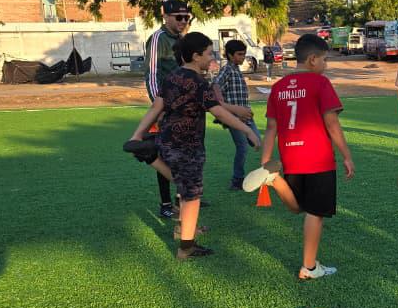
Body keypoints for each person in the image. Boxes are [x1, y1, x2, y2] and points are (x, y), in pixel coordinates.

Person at [128, 32, 260, 260]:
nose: (212, 58)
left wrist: (137, 136)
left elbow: (156, 108)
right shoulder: (199, 82)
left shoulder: (172, 77)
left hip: (167, 139)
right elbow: (218, 110)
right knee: (192, 195)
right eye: (209, 54)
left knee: (182, 185)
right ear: (196, 55)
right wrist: (247, 129)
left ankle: (152, 157)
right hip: (188, 145)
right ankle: (186, 247)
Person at [249, 34, 355, 279]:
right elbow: (332, 124)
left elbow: (272, 128)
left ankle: (274, 179)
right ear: (312, 59)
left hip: (292, 157)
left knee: (299, 207)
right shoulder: (320, 83)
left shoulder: (278, 87)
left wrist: (266, 162)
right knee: (314, 213)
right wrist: (347, 156)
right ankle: (309, 267)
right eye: (325, 60)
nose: (326, 65)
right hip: (318, 159)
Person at [144, 0, 192, 218]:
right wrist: (159, 107)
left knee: (185, 155)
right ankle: (165, 204)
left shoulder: (181, 40)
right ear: (166, 16)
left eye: (186, 17)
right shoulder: (157, 39)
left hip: (184, 109)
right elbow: (152, 75)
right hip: (166, 109)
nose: (183, 21)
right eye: (179, 17)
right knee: (165, 156)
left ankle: (183, 198)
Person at [215, 39, 260, 190]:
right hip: (234, 118)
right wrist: (226, 107)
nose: (242, 57)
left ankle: (263, 175)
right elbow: (215, 85)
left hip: (247, 117)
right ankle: (237, 180)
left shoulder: (236, 70)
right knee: (242, 147)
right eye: (239, 54)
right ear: (229, 55)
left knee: (258, 143)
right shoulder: (227, 69)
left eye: (244, 54)